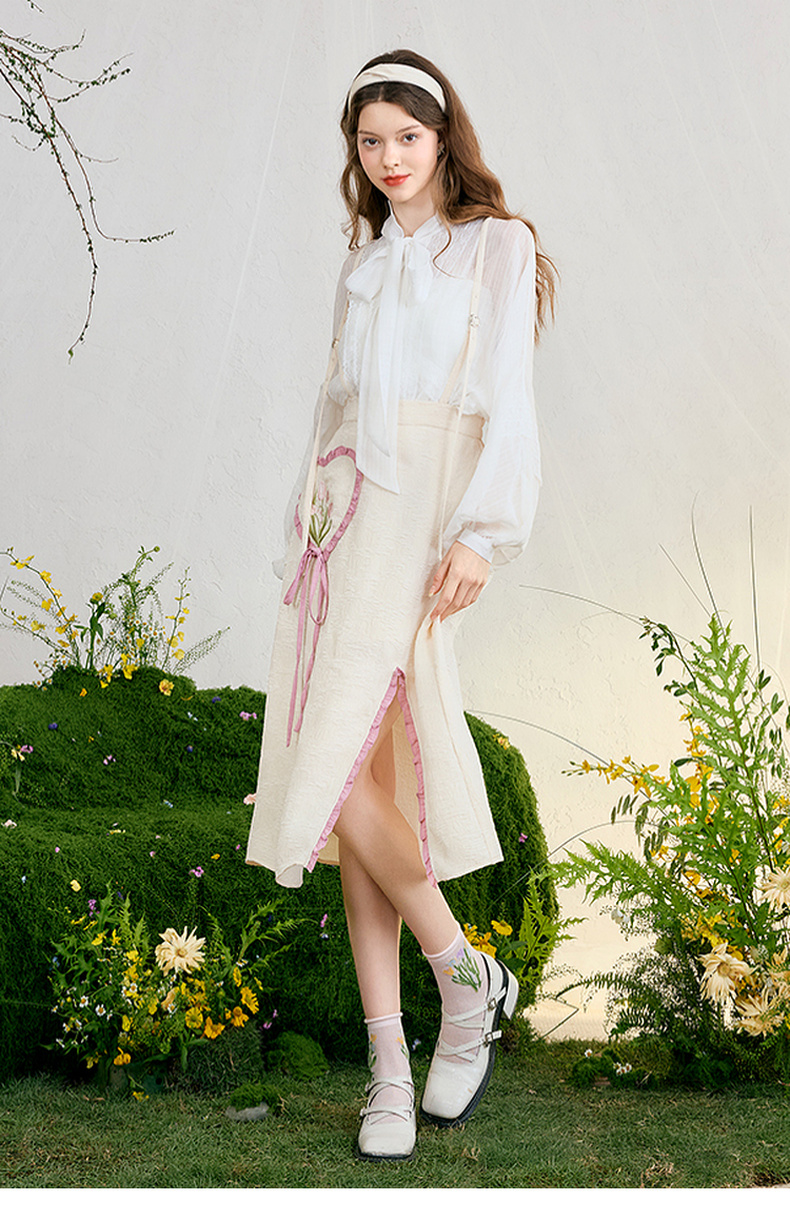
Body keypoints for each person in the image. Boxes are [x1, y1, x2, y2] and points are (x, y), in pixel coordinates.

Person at [246, 48, 555, 1162]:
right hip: (342, 520)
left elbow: (507, 399)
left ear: (441, 137)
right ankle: (399, 1052)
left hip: (425, 516)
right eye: (369, 141)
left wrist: (481, 532)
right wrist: (304, 520)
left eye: (406, 138)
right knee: (348, 782)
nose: (387, 158)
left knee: (341, 771)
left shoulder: (496, 246)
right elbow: (333, 407)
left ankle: (461, 983)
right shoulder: (362, 264)